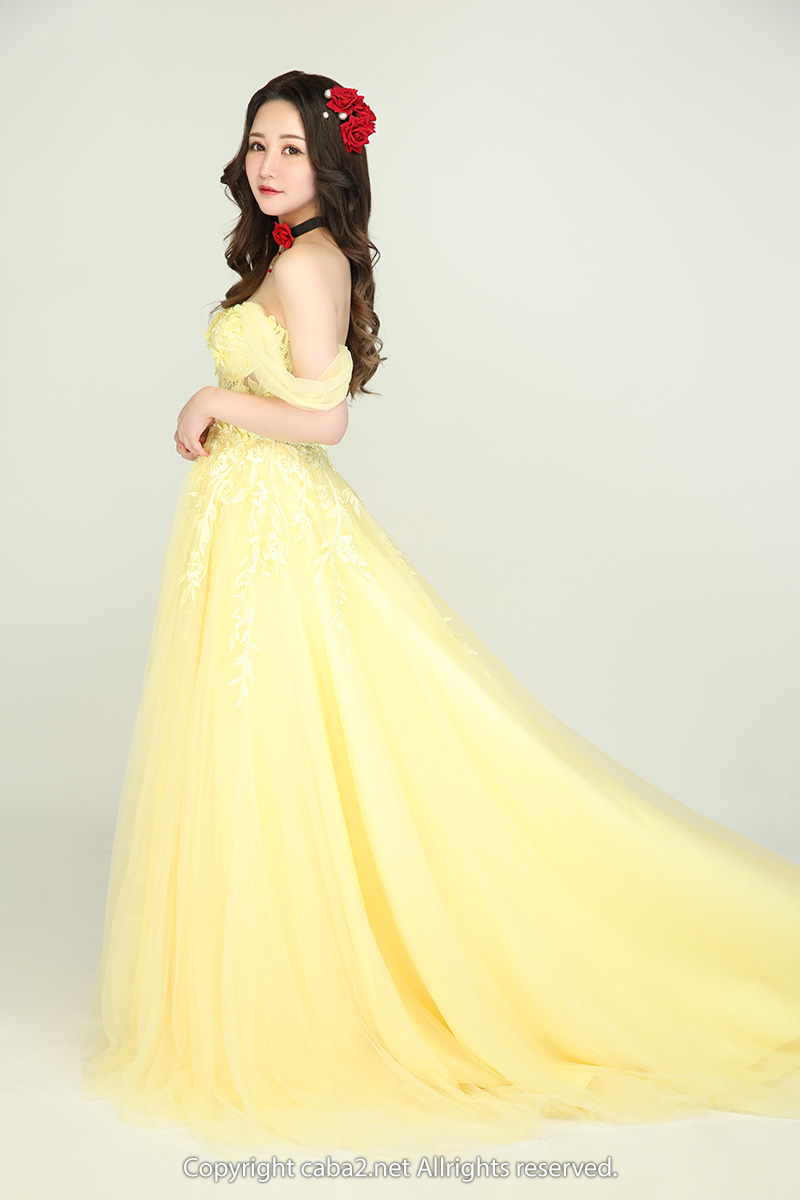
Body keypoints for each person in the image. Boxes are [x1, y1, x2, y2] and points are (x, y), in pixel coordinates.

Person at [79, 69, 800, 1157]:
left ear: (330, 164)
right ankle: (278, 979)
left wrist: (215, 398)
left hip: (277, 529)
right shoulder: (285, 253)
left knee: (288, 737)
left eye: (291, 149)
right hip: (245, 524)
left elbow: (325, 418)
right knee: (257, 743)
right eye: (258, 145)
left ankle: (308, 997)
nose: (268, 166)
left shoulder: (309, 262)